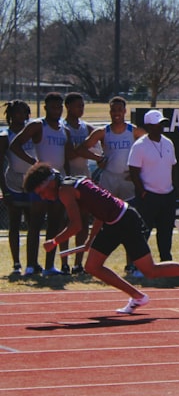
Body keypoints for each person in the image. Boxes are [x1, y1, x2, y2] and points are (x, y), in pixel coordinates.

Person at [22, 161, 179, 314]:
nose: (42, 197)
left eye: (41, 192)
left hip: (125, 221)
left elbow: (76, 225)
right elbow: (99, 210)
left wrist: (54, 242)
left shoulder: (65, 191)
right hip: (113, 221)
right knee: (92, 266)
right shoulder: (74, 182)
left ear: (47, 183)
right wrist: (91, 240)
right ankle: (138, 296)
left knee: (150, 271)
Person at [78, 97, 146, 274]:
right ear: (110, 112)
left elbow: (150, 146)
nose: (116, 113)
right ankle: (91, 260)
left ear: (125, 111)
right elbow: (82, 148)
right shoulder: (103, 132)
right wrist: (98, 158)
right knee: (100, 220)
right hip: (109, 179)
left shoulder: (134, 131)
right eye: (113, 110)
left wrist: (137, 172)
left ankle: (131, 263)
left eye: (119, 110)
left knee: (130, 222)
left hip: (127, 181)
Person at [9, 92, 71, 275]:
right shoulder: (38, 125)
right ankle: (30, 265)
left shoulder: (64, 130)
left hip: (58, 182)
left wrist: (68, 179)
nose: (57, 111)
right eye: (53, 107)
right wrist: (34, 163)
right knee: (35, 224)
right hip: (41, 182)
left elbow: (66, 158)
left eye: (60, 107)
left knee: (54, 224)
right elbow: (15, 145)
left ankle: (50, 266)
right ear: (45, 108)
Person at [128, 110, 178, 263]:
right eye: (157, 124)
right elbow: (133, 171)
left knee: (166, 231)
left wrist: (173, 188)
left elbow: (173, 166)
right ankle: (138, 264)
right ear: (149, 126)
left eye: (162, 124)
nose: (161, 127)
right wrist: (142, 192)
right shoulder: (140, 146)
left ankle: (166, 262)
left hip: (167, 195)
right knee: (143, 232)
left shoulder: (168, 142)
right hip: (149, 196)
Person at [1, 100, 42, 276]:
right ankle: (16, 263)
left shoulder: (33, 133)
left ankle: (32, 262)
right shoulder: (5, 135)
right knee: (15, 223)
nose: (21, 116)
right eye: (17, 112)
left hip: (32, 181)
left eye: (24, 112)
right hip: (14, 181)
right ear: (10, 115)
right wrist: (5, 190)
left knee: (34, 224)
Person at [63, 92, 97, 274]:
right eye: (78, 106)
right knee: (67, 222)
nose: (81, 109)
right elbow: (68, 155)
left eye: (83, 106)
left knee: (83, 222)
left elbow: (96, 147)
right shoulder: (62, 127)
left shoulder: (87, 128)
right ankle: (63, 262)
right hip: (67, 178)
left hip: (84, 178)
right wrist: (84, 151)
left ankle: (78, 262)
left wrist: (82, 151)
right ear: (68, 106)